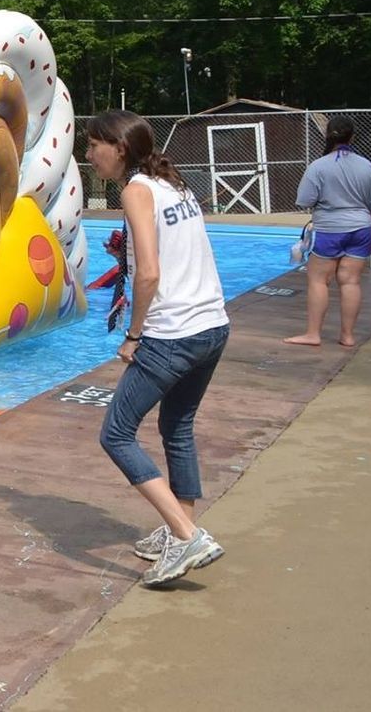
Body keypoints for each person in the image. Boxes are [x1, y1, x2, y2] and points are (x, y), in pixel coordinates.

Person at [83, 109, 231, 588]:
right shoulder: (172, 183)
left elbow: (149, 273)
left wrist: (133, 335)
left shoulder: (135, 189)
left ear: (119, 148)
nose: (88, 157)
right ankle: (177, 529)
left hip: (173, 334)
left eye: (93, 147)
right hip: (212, 325)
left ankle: (188, 534)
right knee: (177, 425)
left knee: (117, 433)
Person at [284, 115, 371, 348]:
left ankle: (313, 334)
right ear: (352, 136)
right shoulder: (367, 166)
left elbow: (305, 200)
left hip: (330, 228)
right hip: (361, 227)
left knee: (318, 280)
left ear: (327, 135)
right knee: (350, 282)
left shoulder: (319, 166)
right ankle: (348, 335)